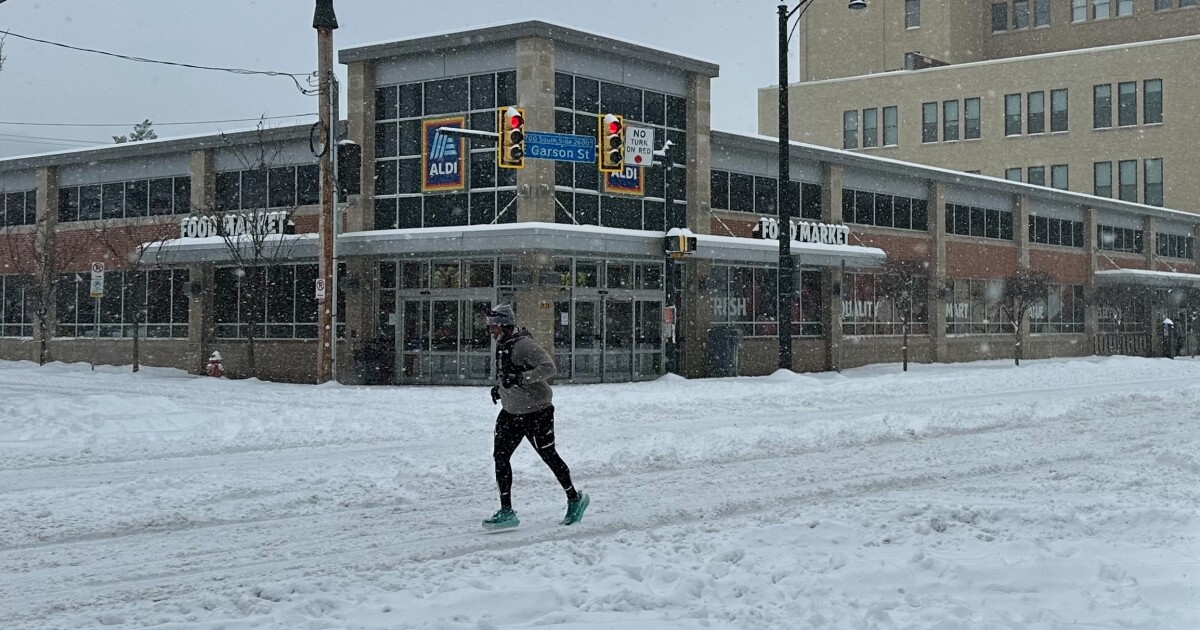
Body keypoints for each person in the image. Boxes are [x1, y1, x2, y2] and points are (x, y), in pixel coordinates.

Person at [482, 304, 589, 530]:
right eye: (490, 327)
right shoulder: (503, 345)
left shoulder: (524, 345)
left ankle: (574, 499)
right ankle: (506, 510)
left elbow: (549, 368)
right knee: (500, 457)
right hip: (511, 413)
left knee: (548, 455)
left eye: (494, 327)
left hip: (536, 412)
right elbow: (508, 373)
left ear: (505, 325)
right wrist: (499, 388)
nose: (491, 331)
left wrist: (523, 378)